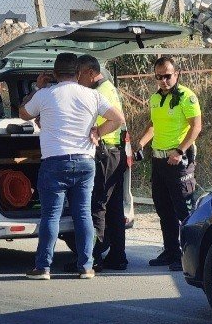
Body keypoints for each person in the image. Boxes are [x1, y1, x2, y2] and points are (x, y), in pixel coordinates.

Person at [20, 52, 125, 280]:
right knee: (83, 214)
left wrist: (37, 88)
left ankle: (43, 268)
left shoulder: (45, 95)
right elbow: (118, 119)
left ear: (55, 74)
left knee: (51, 216)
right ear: (78, 74)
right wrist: (98, 131)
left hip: (54, 162)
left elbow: (23, 113)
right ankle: (86, 266)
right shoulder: (91, 95)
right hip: (85, 162)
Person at [134, 55, 201, 272]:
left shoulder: (186, 97)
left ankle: (189, 255)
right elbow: (153, 124)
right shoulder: (155, 98)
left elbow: (195, 127)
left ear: (177, 74)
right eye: (159, 77)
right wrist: (141, 143)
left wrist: (179, 150)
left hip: (178, 161)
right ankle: (171, 251)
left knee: (184, 210)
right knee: (163, 208)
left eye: (168, 76)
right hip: (158, 159)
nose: (164, 80)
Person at [76, 54, 129, 272]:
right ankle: (117, 257)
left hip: (105, 153)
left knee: (98, 206)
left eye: (79, 74)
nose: (77, 79)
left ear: (90, 72)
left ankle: (92, 259)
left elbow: (118, 120)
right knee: (114, 208)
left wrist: (98, 132)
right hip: (115, 153)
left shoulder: (98, 92)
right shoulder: (108, 87)